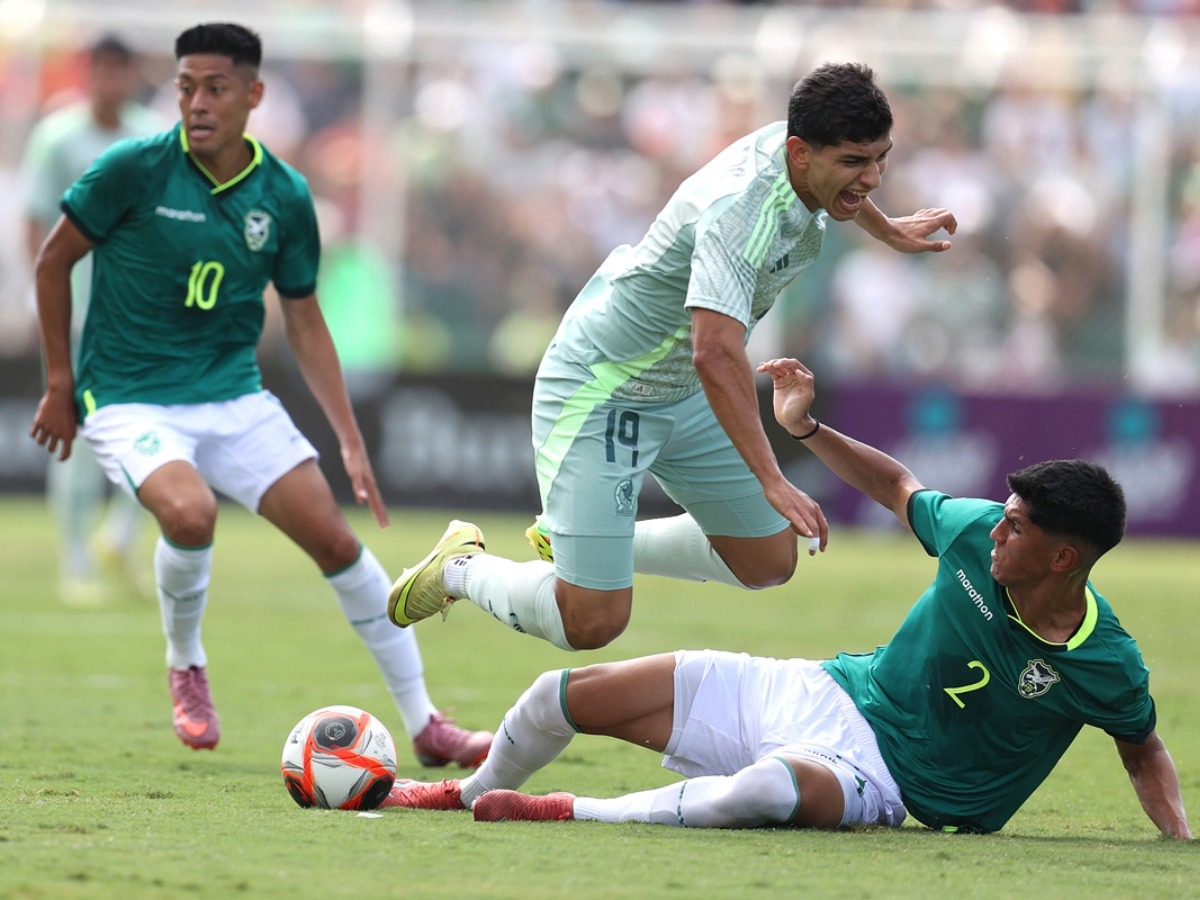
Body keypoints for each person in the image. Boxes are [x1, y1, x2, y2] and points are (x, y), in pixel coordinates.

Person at [379, 358, 1192, 839]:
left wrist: (1178, 841)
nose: (995, 533)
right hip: (824, 691)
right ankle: (466, 793)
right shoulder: (975, 531)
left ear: (1063, 558)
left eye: (1015, 529)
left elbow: (1142, 748)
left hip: (882, 781)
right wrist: (803, 429)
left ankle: (566, 810)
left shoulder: (1104, 661)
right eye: (1002, 518)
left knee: (764, 792)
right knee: (560, 695)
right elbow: (898, 485)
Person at [28, 22, 491, 766]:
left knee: (336, 541)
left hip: (233, 398)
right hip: (128, 396)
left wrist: (347, 438)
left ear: (254, 94)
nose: (197, 103)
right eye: (186, 88)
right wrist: (59, 383)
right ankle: (187, 664)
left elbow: (304, 319)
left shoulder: (283, 194)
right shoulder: (132, 168)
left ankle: (427, 723)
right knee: (191, 511)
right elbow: (53, 262)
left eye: (215, 88)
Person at [386, 62, 958, 652]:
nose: (873, 177)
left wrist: (886, 229)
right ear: (799, 152)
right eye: (856, 162)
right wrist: (773, 479)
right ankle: (460, 568)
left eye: (881, 158)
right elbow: (715, 352)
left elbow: (838, 185)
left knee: (767, 558)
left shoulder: (801, 150)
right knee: (591, 624)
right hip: (604, 386)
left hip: (681, 387)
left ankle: (584, 543)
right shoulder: (740, 215)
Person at [20, 34, 164, 606]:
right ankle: (75, 559)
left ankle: (119, 535)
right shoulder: (58, 136)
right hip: (77, 312)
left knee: (158, 429)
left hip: (136, 314)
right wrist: (40, 297)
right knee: (75, 435)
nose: (109, 82)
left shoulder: (151, 136)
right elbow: (35, 221)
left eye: (118, 71)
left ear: (132, 75)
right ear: (87, 74)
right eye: (100, 70)